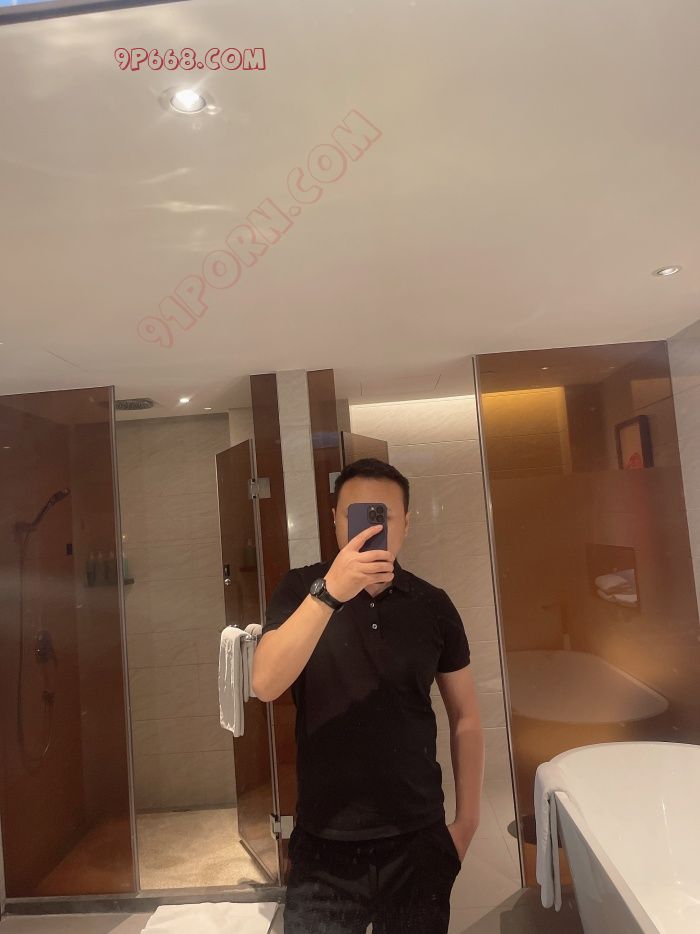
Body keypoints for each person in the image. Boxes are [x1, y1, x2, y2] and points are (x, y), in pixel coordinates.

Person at [252, 458, 485, 933]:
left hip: (417, 838)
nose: (369, 529)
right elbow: (265, 684)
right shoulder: (300, 589)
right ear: (335, 520)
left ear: (406, 524)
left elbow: (466, 716)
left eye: (383, 516)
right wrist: (330, 593)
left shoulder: (433, 604)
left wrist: (467, 824)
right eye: (355, 515)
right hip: (323, 843)